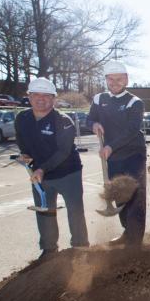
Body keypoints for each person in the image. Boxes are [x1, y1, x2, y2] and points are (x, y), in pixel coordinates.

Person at [14, 77, 89, 259]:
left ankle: (80, 247)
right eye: (36, 95)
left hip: (67, 172)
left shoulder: (63, 121)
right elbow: (22, 141)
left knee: (75, 209)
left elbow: (63, 152)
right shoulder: (22, 118)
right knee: (44, 210)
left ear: (53, 99)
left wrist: (42, 169)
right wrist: (25, 156)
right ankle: (49, 249)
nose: (41, 99)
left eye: (46, 96)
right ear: (29, 97)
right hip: (40, 174)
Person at [87, 61, 147, 246]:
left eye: (119, 79)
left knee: (135, 197)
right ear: (105, 79)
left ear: (126, 79)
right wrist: (93, 125)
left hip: (133, 155)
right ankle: (127, 232)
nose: (115, 82)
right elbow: (90, 119)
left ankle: (135, 241)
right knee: (119, 196)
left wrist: (111, 146)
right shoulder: (99, 99)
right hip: (112, 157)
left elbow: (131, 130)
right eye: (111, 79)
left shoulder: (134, 102)